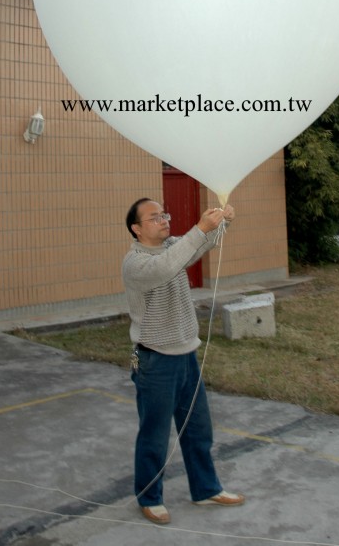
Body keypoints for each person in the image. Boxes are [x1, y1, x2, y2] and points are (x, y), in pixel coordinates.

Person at [122, 197, 245, 525]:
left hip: (186, 353)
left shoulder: (175, 244)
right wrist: (202, 228)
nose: (163, 220)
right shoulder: (135, 263)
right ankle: (149, 496)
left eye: (165, 213)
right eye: (154, 217)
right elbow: (167, 266)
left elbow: (200, 245)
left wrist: (223, 221)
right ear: (136, 229)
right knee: (154, 434)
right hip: (155, 361)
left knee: (198, 430)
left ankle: (205, 489)